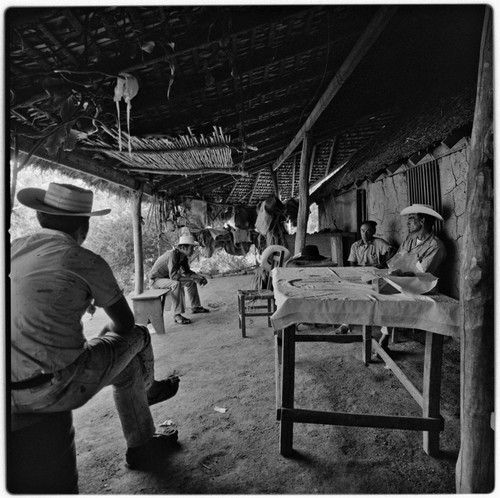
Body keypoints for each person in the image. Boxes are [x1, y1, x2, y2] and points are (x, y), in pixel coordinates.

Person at [11, 182, 180, 472]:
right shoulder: (84, 260)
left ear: (40, 218)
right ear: (84, 227)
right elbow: (125, 324)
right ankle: (150, 389)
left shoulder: (15, 249)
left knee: (126, 367)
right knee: (139, 334)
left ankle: (141, 445)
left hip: (9, 384)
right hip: (55, 385)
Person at [378, 203, 447, 353]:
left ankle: (384, 337)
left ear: (422, 221)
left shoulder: (436, 246)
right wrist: (390, 271)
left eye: (411, 219)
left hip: (423, 287)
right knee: (377, 287)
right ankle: (383, 332)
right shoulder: (409, 241)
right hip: (403, 280)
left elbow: (421, 273)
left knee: (388, 294)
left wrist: (397, 272)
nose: (407, 223)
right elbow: (396, 262)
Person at [149, 235, 209, 324]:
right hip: (156, 280)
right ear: (184, 247)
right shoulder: (172, 255)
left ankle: (195, 307)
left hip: (166, 279)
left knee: (190, 282)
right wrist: (194, 278)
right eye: (191, 248)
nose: (193, 250)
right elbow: (174, 277)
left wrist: (198, 277)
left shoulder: (183, 256)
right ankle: (177, 315)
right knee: (175, 284)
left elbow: (187, 272)